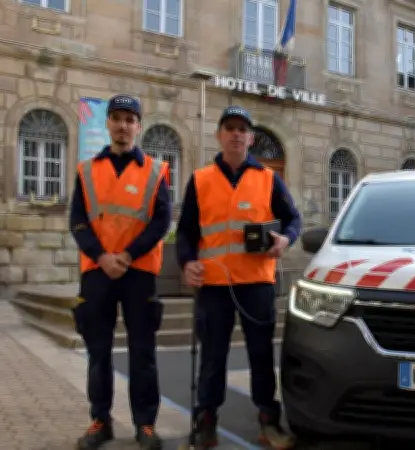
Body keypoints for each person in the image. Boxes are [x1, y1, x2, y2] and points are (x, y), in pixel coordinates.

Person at [175, 106, 302, 449]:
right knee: (212, 358)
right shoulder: (201, 180)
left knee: (261, 356)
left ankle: (268, 422)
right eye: (229, 127)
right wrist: (187, 262)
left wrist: (286, 240)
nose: (235, 134)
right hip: (214, 286)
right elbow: (185, 231)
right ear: (219, 135)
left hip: (257, 283)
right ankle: (206, 423)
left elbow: (293, 219)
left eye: (241, 129)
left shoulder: (267, 178)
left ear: (250, 137)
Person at [69, 94, 172, 450]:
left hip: (138, 271)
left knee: (142, 352)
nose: (123, 125)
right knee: (98, 352)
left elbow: (161, 222)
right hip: (98, 273)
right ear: (108, 123)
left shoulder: (156, 171)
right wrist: (102, 257)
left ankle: (145, 424)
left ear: (138, 126)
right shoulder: (86, 170)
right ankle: (101, 420)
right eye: (116, 118)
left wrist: (126, 255)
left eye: (130, 119)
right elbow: (77, 221)